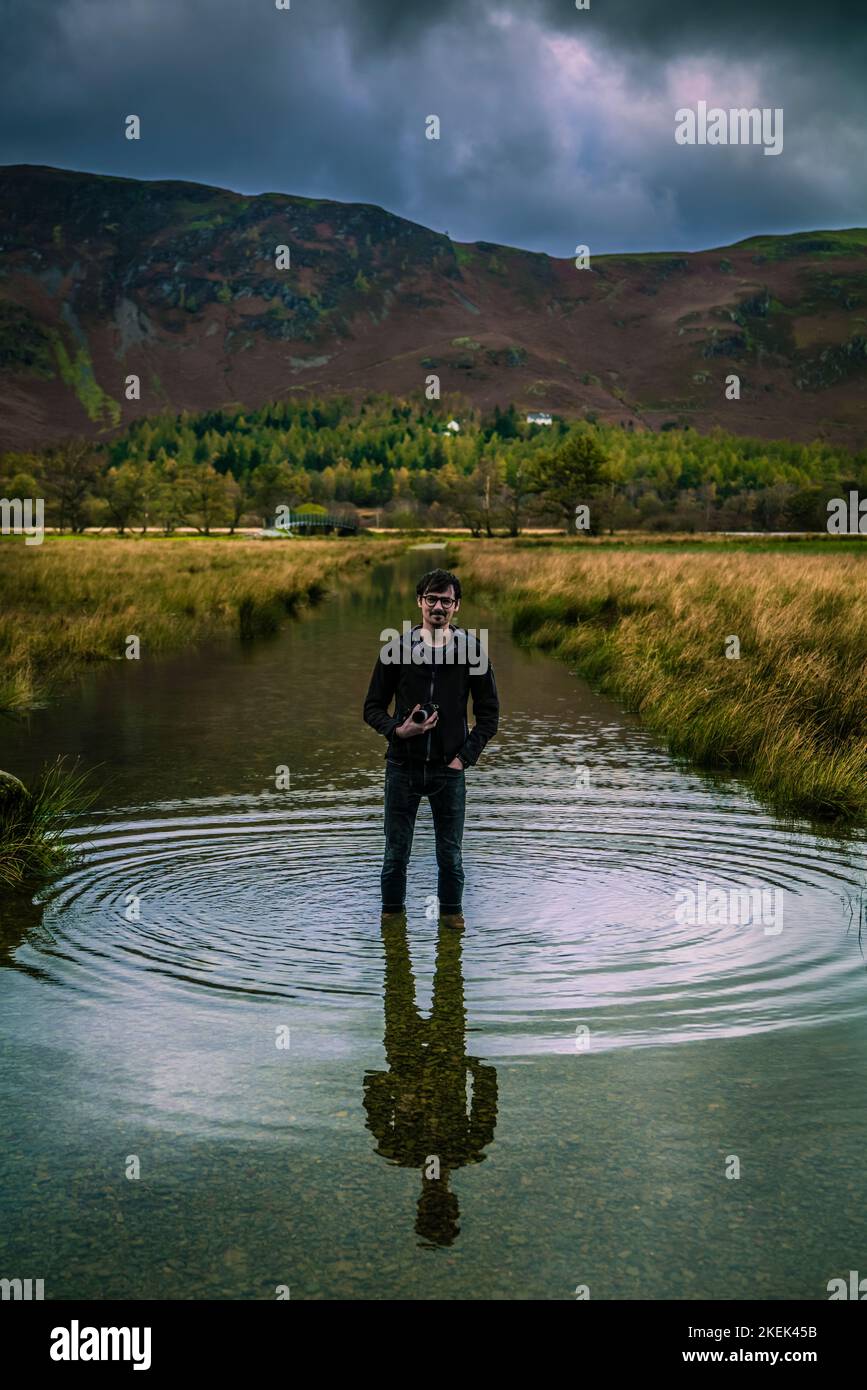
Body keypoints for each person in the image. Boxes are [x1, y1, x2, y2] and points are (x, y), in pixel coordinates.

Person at [363, 569, 499, 926]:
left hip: (448, 769)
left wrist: (463, 759)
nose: (438, 607)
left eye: (446, 600)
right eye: (432, 599)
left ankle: (452, 922)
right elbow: (372, 708)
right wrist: (399, 731)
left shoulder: (472, 652)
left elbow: (489, 716)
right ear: (420, 602)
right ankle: (391, 925)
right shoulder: (396, 650)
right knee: (395, 855)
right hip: (402, 767)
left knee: (450, 856)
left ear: (457, 606)